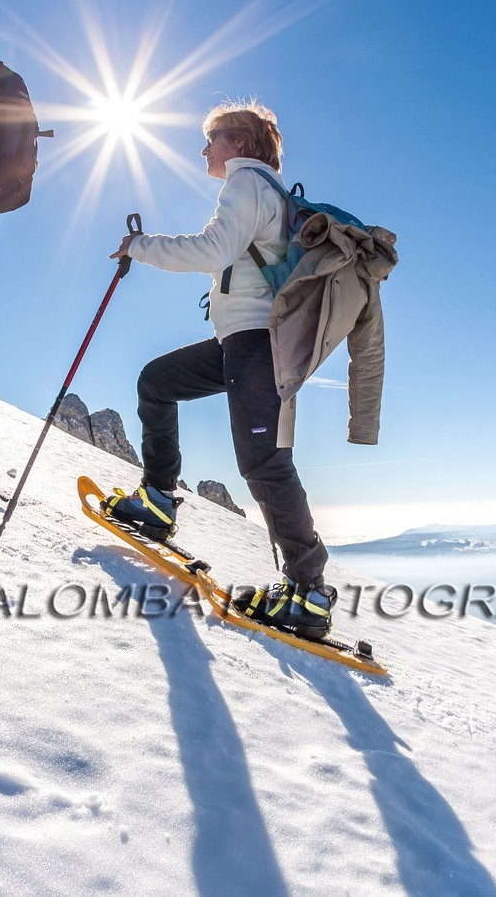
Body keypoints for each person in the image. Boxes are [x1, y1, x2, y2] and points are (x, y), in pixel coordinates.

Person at [105, 100, 337, 640]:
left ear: (238, 142)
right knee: (156, 382)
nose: (204, 149)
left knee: (264, 464)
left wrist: (142, 245)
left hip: (257, 342)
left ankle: (310, 595)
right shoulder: (267, 190)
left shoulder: (246, 183)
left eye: (211, 138)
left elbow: (216, 248)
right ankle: (158, 500)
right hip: (242, 340)